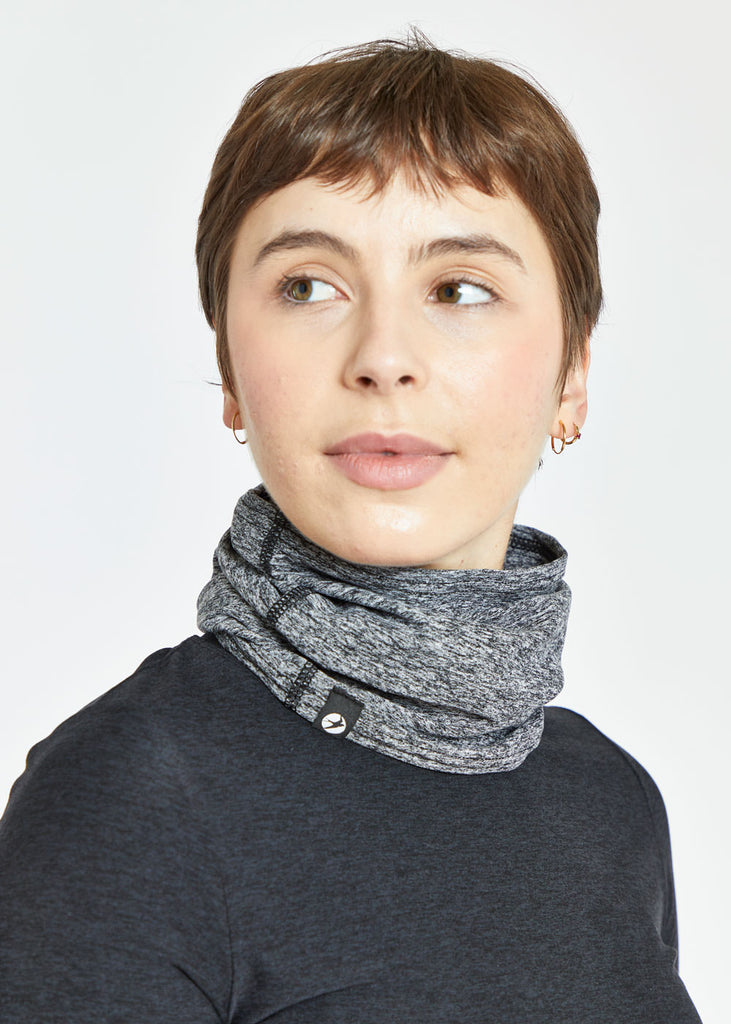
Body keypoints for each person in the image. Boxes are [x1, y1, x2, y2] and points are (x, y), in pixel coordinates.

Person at [0, 31, 703, 1023]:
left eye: (459, 289)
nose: (382, 355)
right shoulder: (131, 790)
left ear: (572, 374)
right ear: (230, 368)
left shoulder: (608, 800)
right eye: (308, 286)